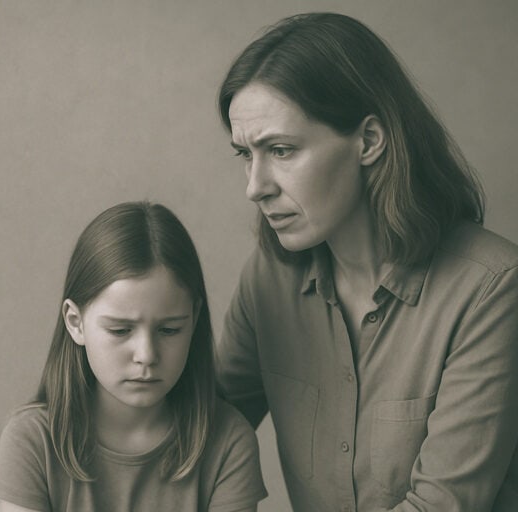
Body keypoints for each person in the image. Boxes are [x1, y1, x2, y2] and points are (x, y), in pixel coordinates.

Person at [215, 12, 518, 512]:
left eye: (281, 150)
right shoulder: (269, 278)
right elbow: (196, 435)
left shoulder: (492, 288)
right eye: (246, 155)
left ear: (370, 141)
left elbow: (440, 505)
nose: (255, 187)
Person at [0, 201, 267, 512]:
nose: (146, 355)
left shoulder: (229, 442)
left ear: (194, 318)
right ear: (75, 323)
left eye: (169, 330)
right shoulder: (32, 439)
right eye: (120, 331)